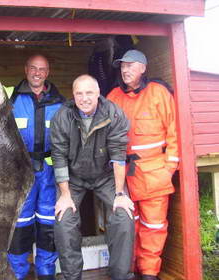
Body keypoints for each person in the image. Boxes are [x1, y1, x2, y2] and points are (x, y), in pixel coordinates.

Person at [0, 46, 65, 280]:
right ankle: (17, 273)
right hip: (19, 174)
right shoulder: (10, 95)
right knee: (20, 226)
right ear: (26, 70)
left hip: (49, 174)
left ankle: (46, 273)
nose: (37, 73)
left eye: (42, 69)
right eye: (33, 68)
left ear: (48, 72)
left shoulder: (61, 102)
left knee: (48, 226)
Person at [50, 74, 135, 280]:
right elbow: (58, 156)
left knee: (124, 216)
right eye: (79, 93)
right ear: (73, 95)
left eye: (89, 92)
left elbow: (118, 156)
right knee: (64, 220)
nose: (84, 98)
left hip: (106, 176)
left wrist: (120, 193)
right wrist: (64, 194)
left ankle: (120, 276)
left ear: (98, 93)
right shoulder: (62, 116)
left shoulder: (113, 113)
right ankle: (72, 277)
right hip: (74, 178)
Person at [107, 50, 179, 280]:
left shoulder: (159, 94)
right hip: (123, 177)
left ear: (143, 68)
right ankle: (131, 270)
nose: (125, 70)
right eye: (122, 66)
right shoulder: (113, 97)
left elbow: (175, 133)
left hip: (154, 175)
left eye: (130, 65)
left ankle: (149, 273)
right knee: (128, 227)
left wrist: (169, 169)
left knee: (154, 227)